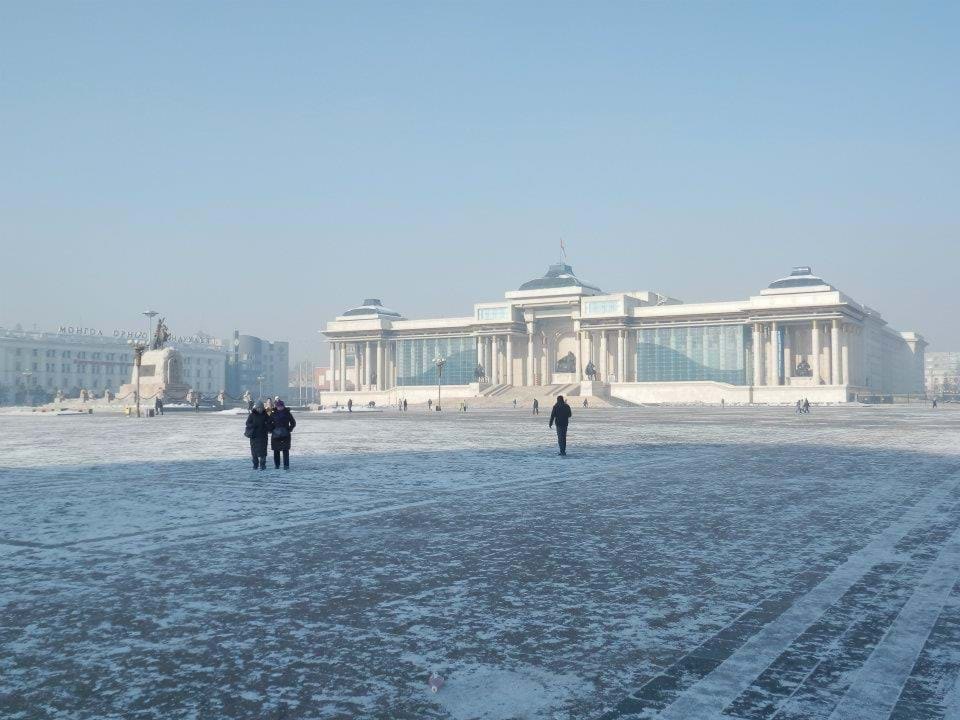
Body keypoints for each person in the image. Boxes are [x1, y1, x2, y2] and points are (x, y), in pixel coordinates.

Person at [270, 399, 297, 470]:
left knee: (285, 450)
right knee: (276, 451)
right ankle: (277, 465)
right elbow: (269, 423)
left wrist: (289, 429)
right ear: (276, 406)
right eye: (278, 406)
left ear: (283, 406)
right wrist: (272, 430)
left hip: (285, 435)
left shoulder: (287, 413)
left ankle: (286, 465)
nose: (280, 407)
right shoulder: (273, 413)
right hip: (276, 435)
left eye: (281, 406)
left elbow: (293, 422)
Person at [244, 401, 271, 470]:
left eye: (261, 408)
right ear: (256, 408)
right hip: (254, 436)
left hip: (263, 436)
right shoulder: (252, 415)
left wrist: (266, 425)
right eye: (258, 408)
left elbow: (269, 423)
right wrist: (253, 425)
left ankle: (262, 465)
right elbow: (247, 423)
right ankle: (255, 465)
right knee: (254, 452)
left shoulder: (265, 415)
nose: (260, 409)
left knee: (263, 452)